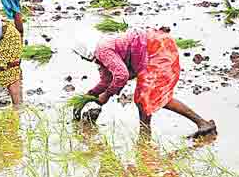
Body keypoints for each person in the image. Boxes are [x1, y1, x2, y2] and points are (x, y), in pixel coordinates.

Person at [73, 28, 216, 138]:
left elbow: (122, 75)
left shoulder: (102, 50)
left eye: (81, 56)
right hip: (152, 48)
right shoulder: (102, 55)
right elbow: (106, 80)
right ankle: (145, 136)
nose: (82, 59)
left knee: (148, 98)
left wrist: (107, 95)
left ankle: (201, 124)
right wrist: (88, 97)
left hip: (156, 49)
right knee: (145, 99)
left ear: (85, 51)